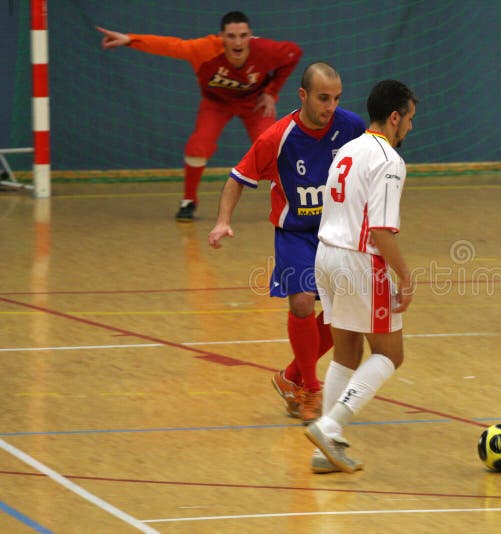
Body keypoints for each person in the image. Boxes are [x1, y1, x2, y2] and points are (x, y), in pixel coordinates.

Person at [207, 63, 366, 433]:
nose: (331, 106)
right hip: (295, 233)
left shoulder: (352, 127)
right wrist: (222, 220)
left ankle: (291, 376)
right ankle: (311, 388)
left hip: (337, 232)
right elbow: (237, 178)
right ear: (303, 95)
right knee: (302, 302)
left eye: (336, 98)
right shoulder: (277, 138)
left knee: (347, 314)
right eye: (323, 98)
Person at [304, 79, 417, 474]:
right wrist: (405, 275)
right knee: (389, 354)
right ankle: (330, 425)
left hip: (325, 256)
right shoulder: (389, 160)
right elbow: (381, 230)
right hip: (358, 262)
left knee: (347, 353)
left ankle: (326, 449)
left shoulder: (347, 149)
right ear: (393, 117)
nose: (410, 128)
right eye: (409, 119)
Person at [96, 11, 302, 221]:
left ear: (250, 35)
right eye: (231, 36)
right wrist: (130, 39)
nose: (238, 42)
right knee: (198, 146)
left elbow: (294, 54)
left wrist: (271, 92)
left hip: (254, 104)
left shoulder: (266, 50)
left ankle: (293, 199)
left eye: (243, 35)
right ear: (221, 37)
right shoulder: (204, 50)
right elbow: (169, 46)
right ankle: (189, 201)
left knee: (273, 147)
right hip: (216, 103)